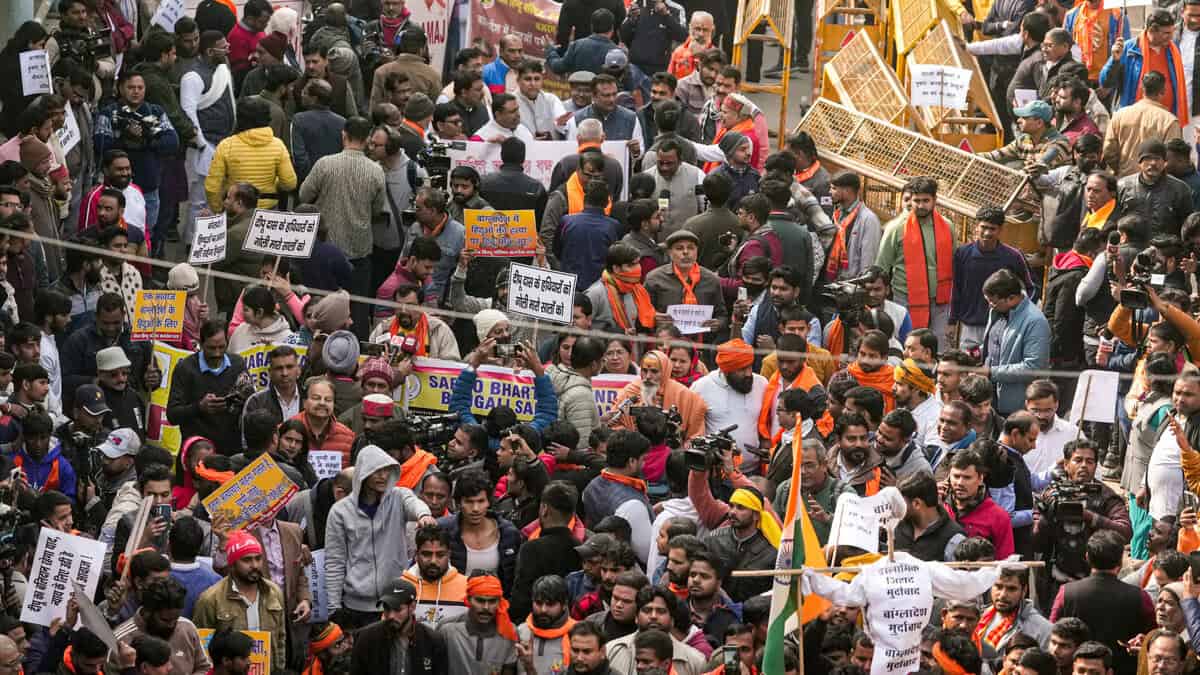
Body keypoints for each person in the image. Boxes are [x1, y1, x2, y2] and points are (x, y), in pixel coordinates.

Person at [324, 444, 436, 629]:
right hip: (355, 606)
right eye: (377, 471)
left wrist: (424, 515)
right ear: (363, 472)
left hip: (396, 600)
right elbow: (335, 561)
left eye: (387, 470)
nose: (383, 476)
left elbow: (413, 503)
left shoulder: (399, 497)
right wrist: (333, 607)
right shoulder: (340, 511)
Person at [298, 116, 388, 337]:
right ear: (368, 140)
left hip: (325, 250)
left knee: (320, 307)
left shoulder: (325, 164)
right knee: (357, 309)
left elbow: (304, 195)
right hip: (359, 251)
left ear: (343, 135)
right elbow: (377, 208)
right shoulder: (376, 171)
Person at [1050, 530, 1156, 674]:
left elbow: (1053, 631)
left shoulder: (1067, 593)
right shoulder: (1140, 597)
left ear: (1087, 557)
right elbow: (1152, 637)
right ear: (1120, 561)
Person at [191, 530, 287, 669]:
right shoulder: (211, 599)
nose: (255, 565)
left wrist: (279, 669)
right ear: (232, 564)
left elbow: (280, 639)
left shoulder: (274, 592)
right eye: (247, 560)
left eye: (258, 558)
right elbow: (201, 648)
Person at [875, 177, 953, 339]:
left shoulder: (947, 226)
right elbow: (882, 267)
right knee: (908, 343)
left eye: (926, 201)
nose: (921, 205)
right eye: (917, 201)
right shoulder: (896, 228)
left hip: (940, 300)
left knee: (938, 345)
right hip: (906, 299)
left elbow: (953, 262)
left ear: (935, 200)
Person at [165, 320, 246, 455]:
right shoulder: (185, 369)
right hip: (197, 453)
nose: (217, 353)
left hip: (232, 452)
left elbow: (250, 403)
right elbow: (173, 415)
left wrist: (239, 401)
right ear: (201, 344)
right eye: (211, 348)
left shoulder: (237, 364)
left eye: (221, 347)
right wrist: (199, 407)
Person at [1101, 9, 1189, 127]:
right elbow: (1106, 83)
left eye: (1172, 32)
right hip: (1135, 122)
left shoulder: (1173, 50)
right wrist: (1114, 61)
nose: (1171, 37)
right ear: (1151, 30)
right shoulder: (1128, 49)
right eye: (1166, 33)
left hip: (1166, 121)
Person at [980, 269, 1051, 417]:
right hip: (990, 399)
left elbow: (1033, 367)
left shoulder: (1035, 321)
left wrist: (991, 372)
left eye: (993, 301)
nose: (990, 305)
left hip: (1015, 406)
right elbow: (997, 345)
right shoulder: (998, 311)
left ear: (1011, 298)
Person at [508, 481, 582, 622]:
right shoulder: (579, 547)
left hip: (533, 624)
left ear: (544, 509)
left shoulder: (531, 549)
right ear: (572, 514)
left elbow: (521, 598)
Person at [113, 577, 212, 675]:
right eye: (165, 620)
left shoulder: (187, 628)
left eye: (176, 618)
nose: (172, 625)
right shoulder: (122, 640)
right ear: (148, 612)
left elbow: (204, 667)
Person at [349, 577, 447, 674]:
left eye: (397, 609)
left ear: (412, 607)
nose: (391, 616)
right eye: (387, 608)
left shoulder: (432, 640)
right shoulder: (366, 638)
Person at [442, 574, 518, 674]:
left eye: (492, 601)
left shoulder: (509, 632)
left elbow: (509, 669)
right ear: (468, 600)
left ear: (499, 602)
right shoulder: (448, 631)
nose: (486, 607)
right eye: (480, 601)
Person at [946, 449, 1015, 559]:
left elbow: (1005, 562)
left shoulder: (998, 517)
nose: (960, 483)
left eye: (967, 477)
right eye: (956, 476)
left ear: (980, 479)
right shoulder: (938, 508)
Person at [894, 471, 967, 562]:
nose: (896, 508)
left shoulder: (954, 538)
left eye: (900, 503)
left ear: (916, 503)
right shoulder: (896, 526)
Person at [547, 9, 621, 76]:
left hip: (578, 86)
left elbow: (558, 67)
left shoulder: (577, 45)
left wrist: (550, 50)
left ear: (591, 27)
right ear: (612, 29)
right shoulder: (618, 53)